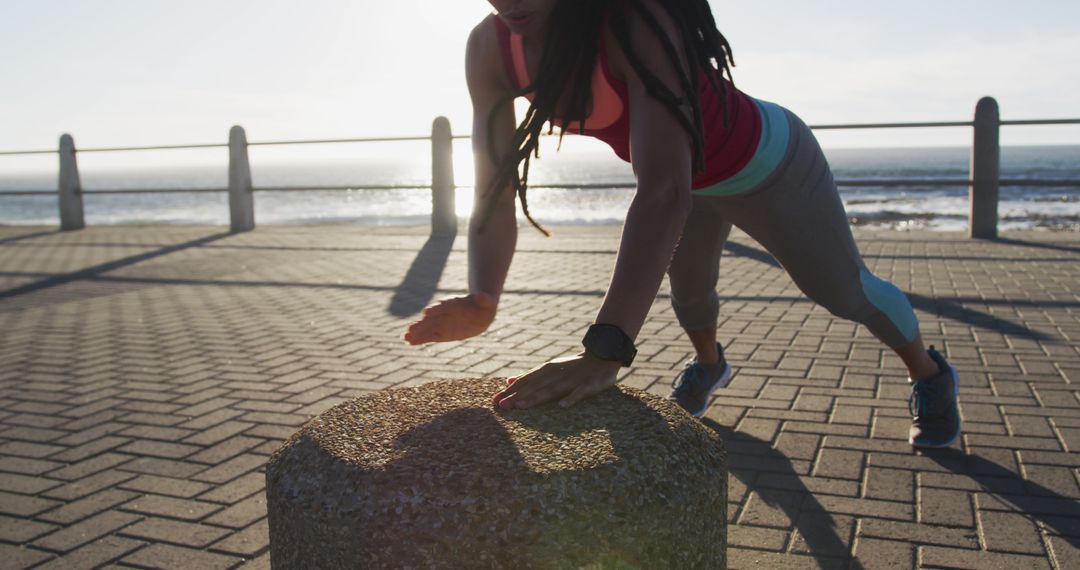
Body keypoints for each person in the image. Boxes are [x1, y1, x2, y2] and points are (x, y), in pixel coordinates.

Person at [404, 0, 961, 448]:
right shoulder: (490, 47)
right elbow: (496, 185)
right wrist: (483, 297)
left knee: (844, 292)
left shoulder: (636, 18)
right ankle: (710, 366)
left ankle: (929, 374)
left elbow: (663, 190)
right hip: (691, 183)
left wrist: (605, 349)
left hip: (769, 166)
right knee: (690, 298)